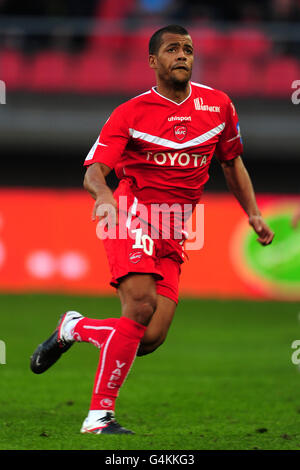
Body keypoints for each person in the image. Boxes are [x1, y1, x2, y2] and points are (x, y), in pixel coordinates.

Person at [30, 24, 274, 434]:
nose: (182, 55)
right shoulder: (130, 112)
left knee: (149, 337)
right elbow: (95, 172)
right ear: (152, 62)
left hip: (176, 229)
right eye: (172, 49)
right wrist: (104, 197)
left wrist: (252, 212)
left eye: (188, 49)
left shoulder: (219, 106)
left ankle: (73, 327)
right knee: (140, 307)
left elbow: (232, 163)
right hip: (131, 213)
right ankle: (98, 416)